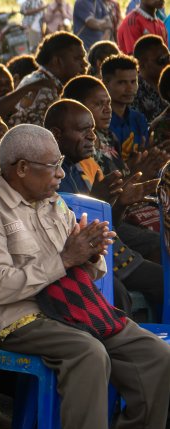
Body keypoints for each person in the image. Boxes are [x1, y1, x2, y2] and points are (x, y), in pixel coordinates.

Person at [0, 122, 170, 429]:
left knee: (156, 354)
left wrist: (91, 254)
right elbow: (0, 288)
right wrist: (65, 258)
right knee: (88, 353)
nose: (61, 174)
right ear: (21, 168)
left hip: (74, 307)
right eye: (53, 166)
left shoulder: (54, 204)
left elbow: (81, 271)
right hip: (23, 316)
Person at [44, 99, 164, 311]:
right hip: (80, 260)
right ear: (56, 134)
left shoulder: (76, 168)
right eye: (83, 130)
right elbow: (64, 233)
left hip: (106, 252)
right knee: (126, 291)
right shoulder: (50, 174)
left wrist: (119, 204)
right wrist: (94, 198)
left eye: (92, 129)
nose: (92, 136)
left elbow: (108, 226)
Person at [7, 31, 88, 127]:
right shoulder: (45, 90)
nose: (85, 64)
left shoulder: (38, 79)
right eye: (77, 58)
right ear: (57, 61)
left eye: (84, 58)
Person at [101, 54, 149, 161]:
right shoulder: (100, 121)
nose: (130, 89)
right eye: (121, 82)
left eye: (133, 82)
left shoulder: (139, 119)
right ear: (104, 83)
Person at [132, 34, 170, 122]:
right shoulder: (133, 90)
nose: (168, 63)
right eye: (162, 60)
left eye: (169, 57)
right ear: (142, 63)